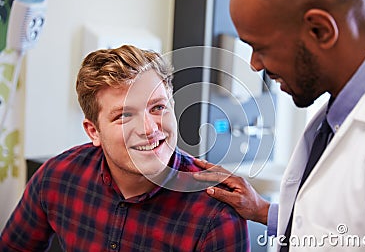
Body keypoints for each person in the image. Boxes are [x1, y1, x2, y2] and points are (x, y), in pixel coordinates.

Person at [194, 0, 365, 251]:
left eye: (260, 48)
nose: (255, 65)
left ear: (320, 30)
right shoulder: (337, 117)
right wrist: (262, 210)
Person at [0, 45, 249, 251]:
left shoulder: (216, 213)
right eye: (124, 115)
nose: (149, 128)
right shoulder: (57, 178)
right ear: (93, 131)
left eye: (158, 107)